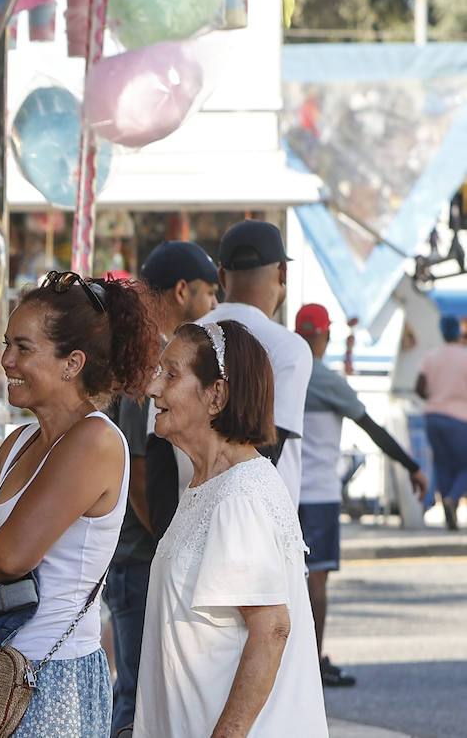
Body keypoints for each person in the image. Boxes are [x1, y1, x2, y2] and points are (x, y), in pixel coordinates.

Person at [0, 270, 157, 736]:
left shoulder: (95, 440)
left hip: (47, 678)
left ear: (73, 363)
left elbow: (7, 556)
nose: (6, 360)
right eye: (7, 343)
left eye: (23, 348)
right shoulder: (20, 440)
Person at [134, 320, 327, 738]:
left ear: (216, 394)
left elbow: (272, 628)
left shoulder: (240, 495)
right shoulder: (212, 485)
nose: (153, 389)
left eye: (171, 374)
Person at [104, 241, 218, 736]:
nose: (213, 305)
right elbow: (137, 465)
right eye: (210, 294)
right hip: (139, 554)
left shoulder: (152, 350)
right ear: (181, 290)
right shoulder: (149, 356)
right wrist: (172, 541)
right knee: (137, 693)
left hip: (139, 553)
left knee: (147, 689)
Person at [295, 303, 427, 687]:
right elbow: (372, 429)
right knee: (316, 582)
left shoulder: (280, 374)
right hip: (319, 494)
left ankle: (290, 663)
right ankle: (312, 664)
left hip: (282, 491)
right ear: (324, 336)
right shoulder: (328, 381)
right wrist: (411, 466)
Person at [184, 220, 313, 507]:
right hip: (258, 528)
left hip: (185, 518)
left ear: (221, 275)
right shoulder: (289, 348)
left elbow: (154, 459)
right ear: (283, 272)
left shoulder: (185, 339)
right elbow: (269, 449)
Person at [415, 314, 467, 530]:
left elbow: (419, 386)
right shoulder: (465, 357)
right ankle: (453, 498)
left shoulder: (430, 357)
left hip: (433, 416)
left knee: (443, 465)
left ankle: (449, 511)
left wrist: (435, 398)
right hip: (459, 418)